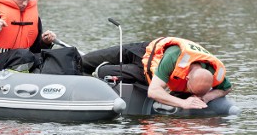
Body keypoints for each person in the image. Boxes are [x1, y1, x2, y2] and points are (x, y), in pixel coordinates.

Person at [81, 37, 232, 110]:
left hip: (144, 74)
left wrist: (206, 97)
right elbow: (154, 92)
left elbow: (227, 88)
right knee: (84, 61)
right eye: (192, 90)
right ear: (187, 77)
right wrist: (184, 103)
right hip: (142, 51)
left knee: (103, 71)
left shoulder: (215, 72)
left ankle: (100, 71)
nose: (194, 95)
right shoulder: (174, 59)